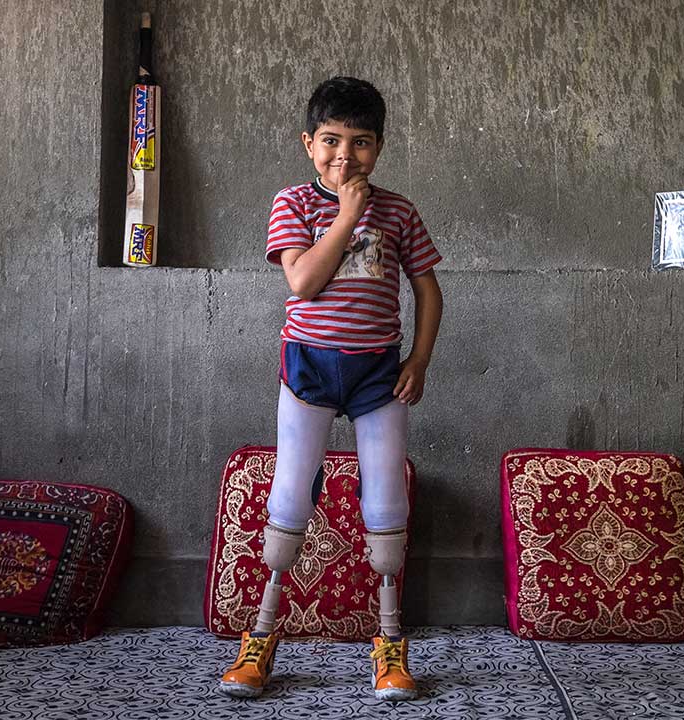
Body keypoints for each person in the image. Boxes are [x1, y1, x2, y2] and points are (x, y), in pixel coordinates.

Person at [218, 76, 443, 702]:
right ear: (308, 143)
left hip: (379, 372)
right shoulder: (293, 203)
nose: (345, 157)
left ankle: (391, 645)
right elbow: (302, 284)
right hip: (310, 368)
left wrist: (420, 359)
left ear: (381, 146)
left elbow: (427, 288)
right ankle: (260, 638)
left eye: (362, 143)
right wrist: (347, 213)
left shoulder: (399, 210)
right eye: (331, 141)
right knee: (289, 501)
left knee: (386, 505)